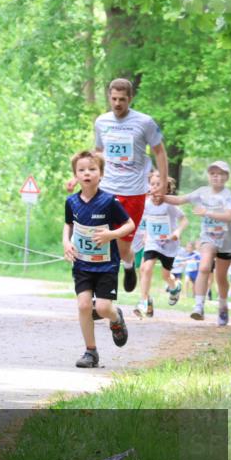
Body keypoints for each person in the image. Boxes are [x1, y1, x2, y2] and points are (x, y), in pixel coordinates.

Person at [67, 79, 168, 294]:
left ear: (130, 99)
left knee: (122, 247)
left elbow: (160, 152)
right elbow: (97, 154)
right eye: (114, 99)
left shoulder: (145, 122)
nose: (117, 103)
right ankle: (100, 294)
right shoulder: (102, 122)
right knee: (99, 240)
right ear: (109, 97)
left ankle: (129, 264)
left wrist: (164, 182)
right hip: (107, 189)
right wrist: (78, 177)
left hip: (134, 192)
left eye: (122, 99)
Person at [63, 150, 133, 369]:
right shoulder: (71, 202)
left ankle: (116, 318)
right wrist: (66, 242)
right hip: (82, 264)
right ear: (75, 175)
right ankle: (90, 352)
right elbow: (68, 225)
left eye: (92, 169)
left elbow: (129, 225)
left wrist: (111, 235)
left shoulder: (108, 201)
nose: (87, 173)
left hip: (106, 265)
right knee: (84, 306)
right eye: (81, 170)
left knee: (102, 309)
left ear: (101, 174)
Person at [164, 161, 231, 325]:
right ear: (209, 176)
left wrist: (207, 212)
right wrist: (160, 197)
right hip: (208, 238)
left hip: (227, 238)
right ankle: (198, 307)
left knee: (220, 277)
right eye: (212, 173)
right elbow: (180, 199)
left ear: (226, 177)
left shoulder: (228, 195)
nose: (216, 176)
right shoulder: (202, 192)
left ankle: (223, 306)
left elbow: (229, 216)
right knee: (204, 266)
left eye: (220, 173)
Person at [135, 171, 188, 316]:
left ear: (166, 188)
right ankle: (144, 301)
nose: (155, 187)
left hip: (169, 244)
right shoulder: (146, 204)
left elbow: (184, 220)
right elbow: (146, 220)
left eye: (159, 185)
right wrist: (145, 234)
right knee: (145, 268)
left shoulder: (170, 205)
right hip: (153, 242)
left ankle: (175, 286)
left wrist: (177, 232)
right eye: (152, 184)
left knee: (166, 275)